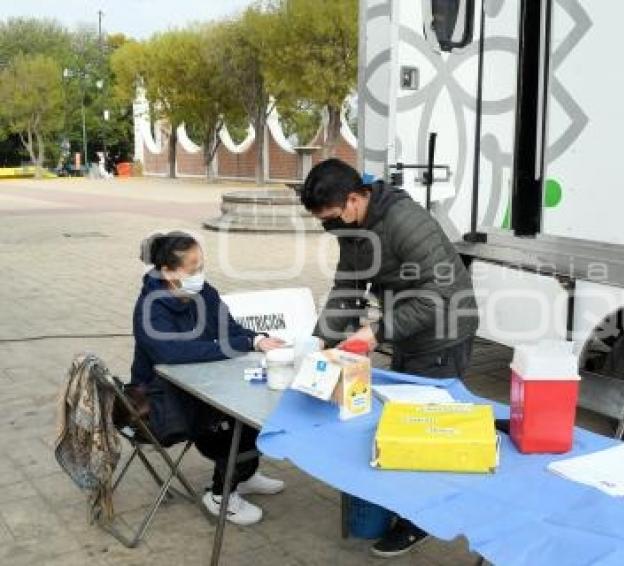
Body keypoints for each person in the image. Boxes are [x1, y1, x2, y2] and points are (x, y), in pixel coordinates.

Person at [300, 159, 479, 557]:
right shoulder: (350, 225)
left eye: (332, 217)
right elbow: (347, 287)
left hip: (445, 330)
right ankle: (408, 503)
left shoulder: (404, 221)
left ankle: (423, 521)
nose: (331, 226)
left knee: (428, 426)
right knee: (403, 416)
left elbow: (441, 292)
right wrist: (320, 342)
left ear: (353, 198)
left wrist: (377, 331)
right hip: (410, 329)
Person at [131, 231, 286, 525]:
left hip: (205, 382)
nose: (200, 274)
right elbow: (172, 353)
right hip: (163, 397)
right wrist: (238, 346)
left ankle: (245, 474)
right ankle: (220, 496)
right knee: (233, 421)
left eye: (201, 266)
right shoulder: (150, 307)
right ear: (168, 271)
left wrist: (258, 340)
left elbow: (230, 328)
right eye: (193, 268)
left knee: (261, 398)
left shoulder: (205, 293)